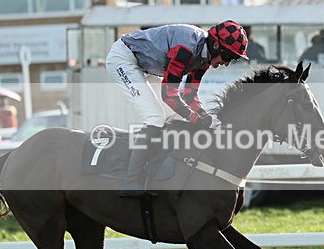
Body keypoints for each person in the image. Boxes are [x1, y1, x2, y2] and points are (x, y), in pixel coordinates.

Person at [105, 20, 249, 197]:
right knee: (155, 117)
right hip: (124, 59)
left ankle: (157, 170)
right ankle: (130, 181)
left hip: (146, 66)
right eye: (228, 57)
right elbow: (170, 95)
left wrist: (207, 118)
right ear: (217, 45)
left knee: (175, 117)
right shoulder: (186, 49)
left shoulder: (205, 57)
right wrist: (199, 120)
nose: (227, 63)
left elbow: (190, 95)